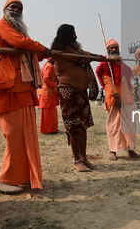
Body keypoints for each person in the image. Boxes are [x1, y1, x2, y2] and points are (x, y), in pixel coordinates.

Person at [0, 0, 51, 193]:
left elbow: (27, 50)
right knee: (14, 136)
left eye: (19, 8)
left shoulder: (19, 31)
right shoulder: (2, 25)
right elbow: (19, 43)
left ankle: (23, 176)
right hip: (9, 88)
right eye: (12, 7)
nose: (16, 10)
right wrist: (43, 49)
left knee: (26, 135)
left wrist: (42, 52)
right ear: (4, 9)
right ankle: (6, 179)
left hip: (23, 87)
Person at [51, 24, 99, 172]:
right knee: (74, 128)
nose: (76, 34)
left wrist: (100, 57)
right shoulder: (61, 48)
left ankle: (84, 158)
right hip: (68, 93)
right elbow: (81, 58)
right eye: (73, 32)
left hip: (80, 93)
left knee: (82, 127)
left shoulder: (73, 48)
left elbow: (84, 54)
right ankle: (76, 159)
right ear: (68, 34)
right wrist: (96, 58)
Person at [96, 39, 140, 160]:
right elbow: (108, 82)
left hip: (127, 98)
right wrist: (116, 97)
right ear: (107, 50)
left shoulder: (121, 63)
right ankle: (113, 151)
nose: (114, 49)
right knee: (114, 126)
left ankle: (130, 149)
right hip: (114, 99)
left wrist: (139, 65)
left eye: (115, 47)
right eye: (111, 48)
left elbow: (129, 75)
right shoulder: (105, 64)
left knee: (131, 125)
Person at [38, 59, 60, 134]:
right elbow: (46, 79)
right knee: (50, 112)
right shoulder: (50, 67)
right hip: (48, 93)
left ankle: (49, 129)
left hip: (45, 92)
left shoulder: (46, 65)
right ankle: (50, 130)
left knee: (47, 113)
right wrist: (54, 85)